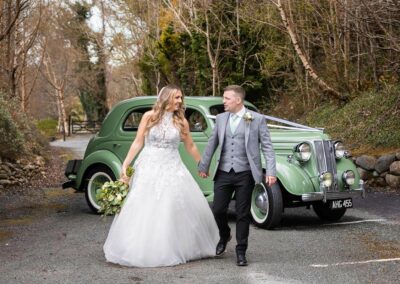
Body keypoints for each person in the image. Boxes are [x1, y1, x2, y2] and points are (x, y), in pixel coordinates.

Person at [103, 84, 219, 268]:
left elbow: (190, 146)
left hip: (173, 166)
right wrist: (126, 163)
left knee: (173, 205)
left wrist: (201, 164)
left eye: (181, 98)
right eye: (177, 97)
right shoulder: (149, 117)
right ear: (166, 98)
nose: (180, 101)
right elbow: (138, 142)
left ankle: (177, 246)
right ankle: (141, 248)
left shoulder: (181, 121)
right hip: (149, 165)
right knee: (144, 205)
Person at [198, 85, 276, 266]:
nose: (223, 102)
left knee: (242, 214)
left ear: (238, 100)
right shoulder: (221, 118)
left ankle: (241, 251)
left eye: (226, 98)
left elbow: (267, 147)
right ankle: (224, 235)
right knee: (217, 210)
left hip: (245, 173)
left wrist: (271, 172)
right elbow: (212, 144)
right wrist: (204, 165)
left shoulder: (257, 119)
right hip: (224, 172)